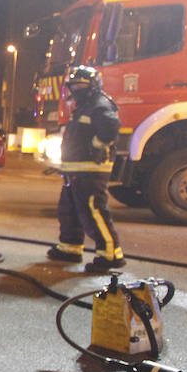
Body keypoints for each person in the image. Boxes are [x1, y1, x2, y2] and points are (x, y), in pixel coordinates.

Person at [47, 65, 124, 273]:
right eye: (75, 85)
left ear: (93, 85)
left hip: (90, 170)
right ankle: (70, 247)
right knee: (69, 211)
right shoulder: (84, 106)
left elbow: (110, 127)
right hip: (76, 171)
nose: (77, 89)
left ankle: (111, 254)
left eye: (81, 85)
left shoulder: (99, 105)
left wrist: (95, 147)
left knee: (93, 211)